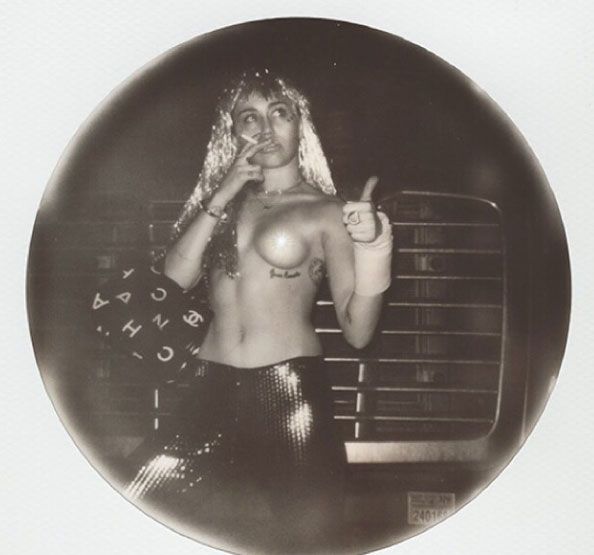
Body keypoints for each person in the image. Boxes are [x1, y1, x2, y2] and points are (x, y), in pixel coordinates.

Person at [121, 69, 393, 551]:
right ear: (232, 132)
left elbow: (358, 332)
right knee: (133, 500)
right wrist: (222, 193)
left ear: (300, 125)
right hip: (209, 388)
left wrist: (374, 247)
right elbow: (174, 279)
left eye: (279, 113)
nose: (265, 128)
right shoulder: (224, 206)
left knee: (308, 538)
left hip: (289, 391)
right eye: (249, 117)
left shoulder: (326, 210)